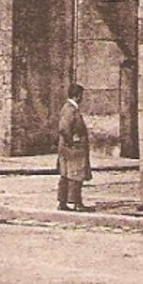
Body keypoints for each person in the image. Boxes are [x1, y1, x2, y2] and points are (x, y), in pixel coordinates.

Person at [56, 82, 92, 211]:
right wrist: (72, 142)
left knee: (66, 175)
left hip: (69, 149)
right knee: (76, 175)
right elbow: (64, 128)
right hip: (72, 150)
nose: (82, 98)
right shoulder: (70, 109)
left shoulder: (69, 108)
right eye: (81, 95)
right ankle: (77, 203)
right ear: (77, 96)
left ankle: (63, 202)